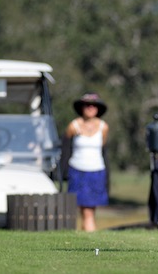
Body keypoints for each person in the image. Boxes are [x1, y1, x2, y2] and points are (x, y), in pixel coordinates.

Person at [65, 93, 109, 232]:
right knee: (84, 210)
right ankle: (88, 233)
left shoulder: (103, 127)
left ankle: (88, 234)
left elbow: (103, 149)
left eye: (93, 105)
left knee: (89, 210)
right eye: (87, 105)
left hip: (96, 171)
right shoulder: (73, 126)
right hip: (77, 170)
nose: (90, 108)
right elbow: (65, 147)